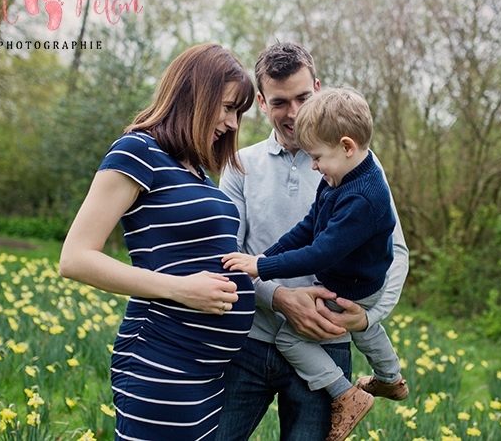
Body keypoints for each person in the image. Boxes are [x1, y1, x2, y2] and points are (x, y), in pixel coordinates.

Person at [59, 43, 257, 441]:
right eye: (227, 107)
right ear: (195, 95)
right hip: (162, 361)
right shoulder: (138, 151)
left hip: (206, 373)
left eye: (239, 112)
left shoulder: (196, 171)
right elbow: (75, 258)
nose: (233, 124)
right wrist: (181, 290)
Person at [215, 43, 409, 441]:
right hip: (248, 342)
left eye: (304, 97)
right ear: (263, 104)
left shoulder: (358, 170)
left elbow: (397, 254)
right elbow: (230, 257)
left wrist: (369, 318)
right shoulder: (241, 165)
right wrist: (279, 296)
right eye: (280, 102)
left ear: (318, 88)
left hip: (327, 343)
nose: (295, 112)